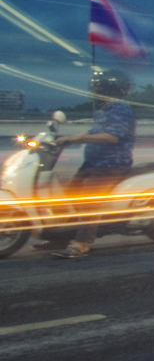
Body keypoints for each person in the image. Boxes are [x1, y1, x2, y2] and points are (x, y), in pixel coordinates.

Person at [42, 69, 136, 259]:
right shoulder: (104, 110)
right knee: (69, 197)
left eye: (97, 87)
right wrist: (66, 139)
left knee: (89, 201)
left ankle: (81, 243)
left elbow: (111, 137)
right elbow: (93, 134)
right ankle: (66, 236)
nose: (93, 90)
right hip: (93, 163)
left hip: (111, 164)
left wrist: (77, 137)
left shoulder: (120, 109)